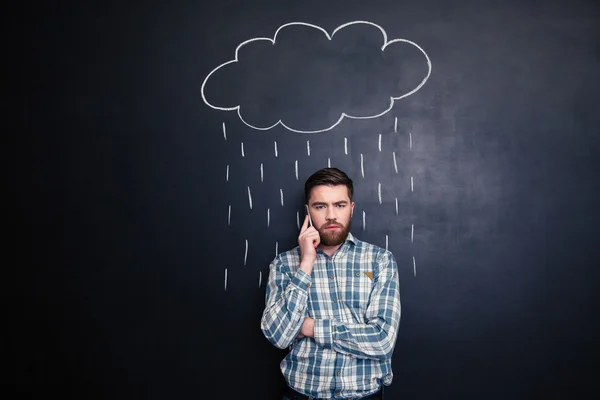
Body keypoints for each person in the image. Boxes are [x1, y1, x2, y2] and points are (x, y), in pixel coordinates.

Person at [261, 168, 401, 400]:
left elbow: (383, 340)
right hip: (302, 394)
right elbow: (278, 335)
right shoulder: (284, 264)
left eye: (340, 205)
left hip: (365, 395)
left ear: (351, 209)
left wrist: (309, 327)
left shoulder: (380, 260)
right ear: (308, 212)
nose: (331, 216)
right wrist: (306, 263)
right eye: (320, 206)